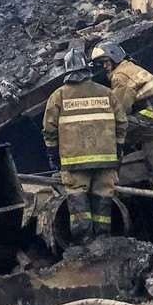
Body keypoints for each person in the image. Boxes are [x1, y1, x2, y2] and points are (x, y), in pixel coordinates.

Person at [90, 41, 153, 239]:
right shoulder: (133, 69)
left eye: (105, 62)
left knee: (111, 128)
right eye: (101, 64)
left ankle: (107, 176)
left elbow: (119, 111)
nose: (105, 67)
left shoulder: (121, 75)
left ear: (115, 56)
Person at [43, 47, 127, 242]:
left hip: (74, 163)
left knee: (78, 199)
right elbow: (122, 123)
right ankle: (104, 241)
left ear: (67, 71)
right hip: (106, 160)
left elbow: (49, 129)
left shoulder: (59, 96)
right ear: (87, 69)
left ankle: (84, 242)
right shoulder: (107, 93)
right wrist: (118, 147)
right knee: (103, 198)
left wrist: (53, 154)